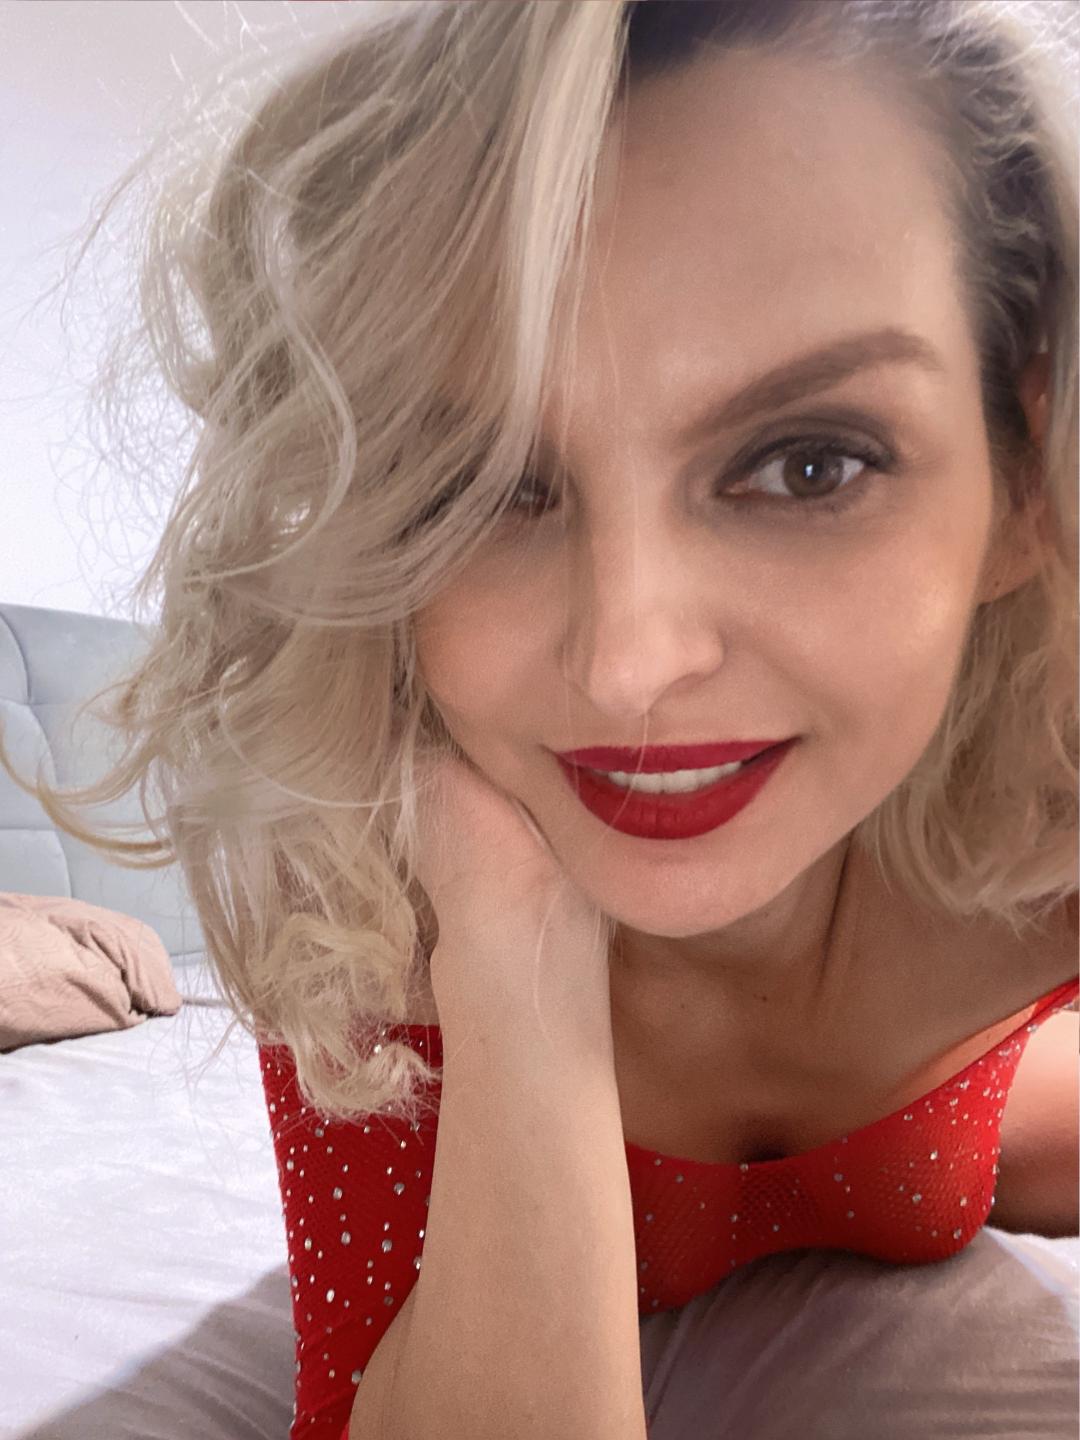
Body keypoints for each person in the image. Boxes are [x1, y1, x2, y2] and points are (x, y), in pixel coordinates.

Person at [2, 2, 1076, 1437]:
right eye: (487, 485)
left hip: (973, 1129)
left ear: (1023, 481)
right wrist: (512, 950)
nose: (628, 662)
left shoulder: (1051, 811)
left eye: (810, 464)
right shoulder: (359, 882)